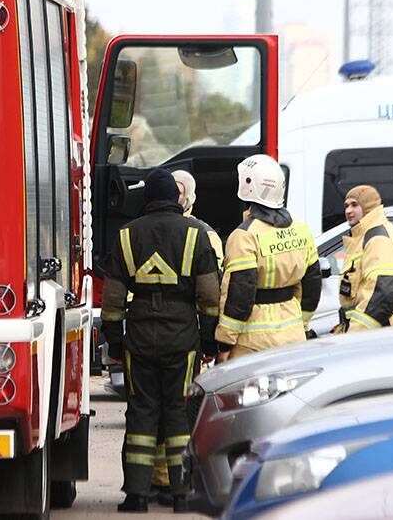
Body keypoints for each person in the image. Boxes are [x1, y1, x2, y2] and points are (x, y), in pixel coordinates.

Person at [100, 168, 221, 514]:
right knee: (178, 413)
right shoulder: (196, 235)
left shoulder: (126, 236)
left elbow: (112, 298)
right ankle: (182, 494)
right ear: (176, 197)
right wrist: (209, 339)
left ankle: (136, 496)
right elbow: (209, 295)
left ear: (148, 198)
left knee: (141, 412)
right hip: (182, 336)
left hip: (139, 335)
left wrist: (115, 340)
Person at [143, 170, 224, 506]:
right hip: (175, 332)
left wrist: (208, 339)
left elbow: (211, 292)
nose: (175, 196)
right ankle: (164, 484)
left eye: (180, 191)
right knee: (165, 410)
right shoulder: (188, 233)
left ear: (189, 196)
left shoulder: (205, 234)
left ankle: (166, 482)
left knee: (171, 410)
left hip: (168, 332)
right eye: (171, 190)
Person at [216, 154, 321, 361]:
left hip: (252, 345)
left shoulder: (244, 235)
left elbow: (240, 294)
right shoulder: (301, 229)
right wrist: (301, 324)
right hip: (294, 336)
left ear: (247, 185)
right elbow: (312, 285)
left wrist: (225, 344)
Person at [336, 185, 393, 332]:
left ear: (368, 207)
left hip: (376, 333)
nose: (348, 211)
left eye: (354, 205)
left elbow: (382, 294)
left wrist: (354, 334)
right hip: (371, 331)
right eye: (346, 206)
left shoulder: (378, 238)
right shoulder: (363, 235)